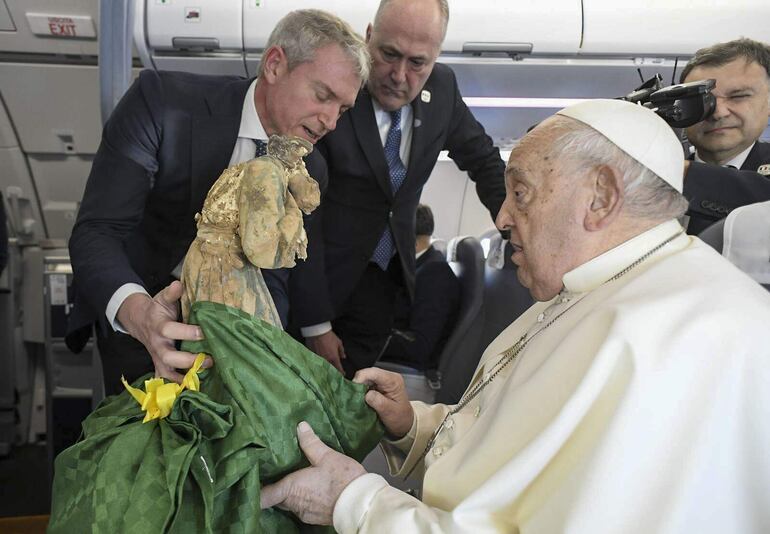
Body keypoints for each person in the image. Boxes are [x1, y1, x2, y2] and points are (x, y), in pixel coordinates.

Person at [259, 99, 770, 533]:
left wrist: (354, 502)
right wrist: (412, 425)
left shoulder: (672, 339)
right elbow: (507, 446)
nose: (502, 217)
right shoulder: (593, 288)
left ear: (601, 197)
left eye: (520, 193)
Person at [66, 9, 368, 393]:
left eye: (342, 109)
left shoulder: (310, 170)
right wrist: (139, 313)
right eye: (323, 96)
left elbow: (275, 271)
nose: (331, 121)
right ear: (275, 65)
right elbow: (97, 231)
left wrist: (268, 344)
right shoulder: (162, 102)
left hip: (233, 336)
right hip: (142, 309)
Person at [291, 0, 506, 376]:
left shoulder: (443, 90)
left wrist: (517, 228)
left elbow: (485, 162)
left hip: (384, 287)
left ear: (436, 56)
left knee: (353, 398)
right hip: (316, 281)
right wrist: (316, 324)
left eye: (417, 63)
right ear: (369, 37)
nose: (399, 75)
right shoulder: (337, 86)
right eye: (389, 54)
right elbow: (300, 213)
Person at [680, 38, 770, 234]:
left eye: (738, 96)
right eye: (702, 100)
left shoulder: (672, 172)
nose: (717, 113)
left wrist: (681, 173)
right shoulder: (649, 183)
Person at [380, 204, 459, 371]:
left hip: (410, 368)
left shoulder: (435, 275)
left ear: (411, 241)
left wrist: (367, 337)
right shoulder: (415, 267)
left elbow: (419, 345)